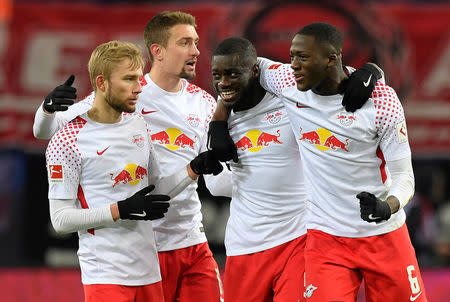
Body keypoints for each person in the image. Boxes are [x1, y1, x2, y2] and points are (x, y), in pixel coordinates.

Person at [35, 11, 227, 302]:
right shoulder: (125, 97)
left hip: (191, 238)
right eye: (186, 42)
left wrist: (200, 168)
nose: (196, 51)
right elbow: (48, 131)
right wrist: (47, 109)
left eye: (196, 42)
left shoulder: (203, 102)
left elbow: (207, 174)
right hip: (145, 246)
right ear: (158, 51)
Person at [252, 22, 426, 301]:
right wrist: (219, 123)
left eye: (303, 57)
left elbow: (405, 177)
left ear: (331, 58)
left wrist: (387, 206)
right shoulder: (287, 82)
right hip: (326, 238)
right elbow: (245, 64)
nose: (293, 64)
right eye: (292, 55)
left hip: (383, 234)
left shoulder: (382, 101)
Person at [209, 37, 307, 301]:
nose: (224, 83)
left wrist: (371, 71)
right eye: (217, 75)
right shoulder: (214, 122)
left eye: (232, 74)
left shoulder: (289, 98)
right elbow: (215, 186)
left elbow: (327, 77)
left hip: (298, 239)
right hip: (245, 246)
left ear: (255, 71)